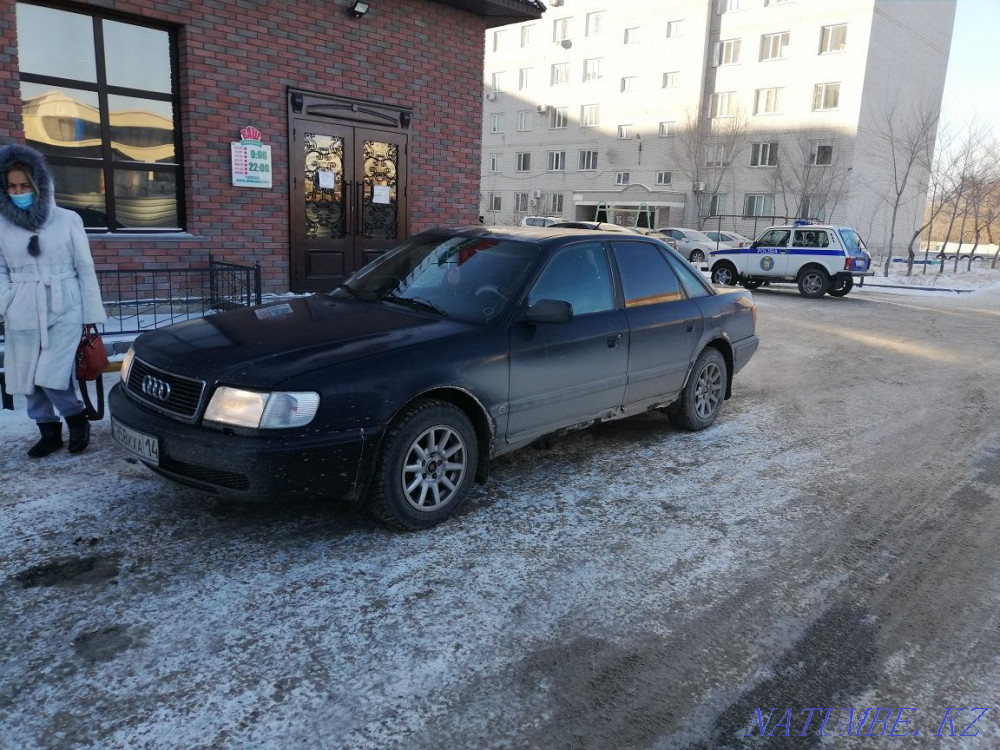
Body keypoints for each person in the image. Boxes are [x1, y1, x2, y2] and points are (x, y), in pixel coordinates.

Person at [0, 143, 107, 457]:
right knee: (29, 378)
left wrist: (90, 312)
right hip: (21, 307)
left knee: (52, 374)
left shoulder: (67, 220)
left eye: (24, 185)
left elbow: (84, 268)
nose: (18, 191)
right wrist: (7, 301)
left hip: (64, 304)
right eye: (11, 186)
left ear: (39, 185)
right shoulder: (1, 226)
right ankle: (48, 432)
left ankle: (76, 420)